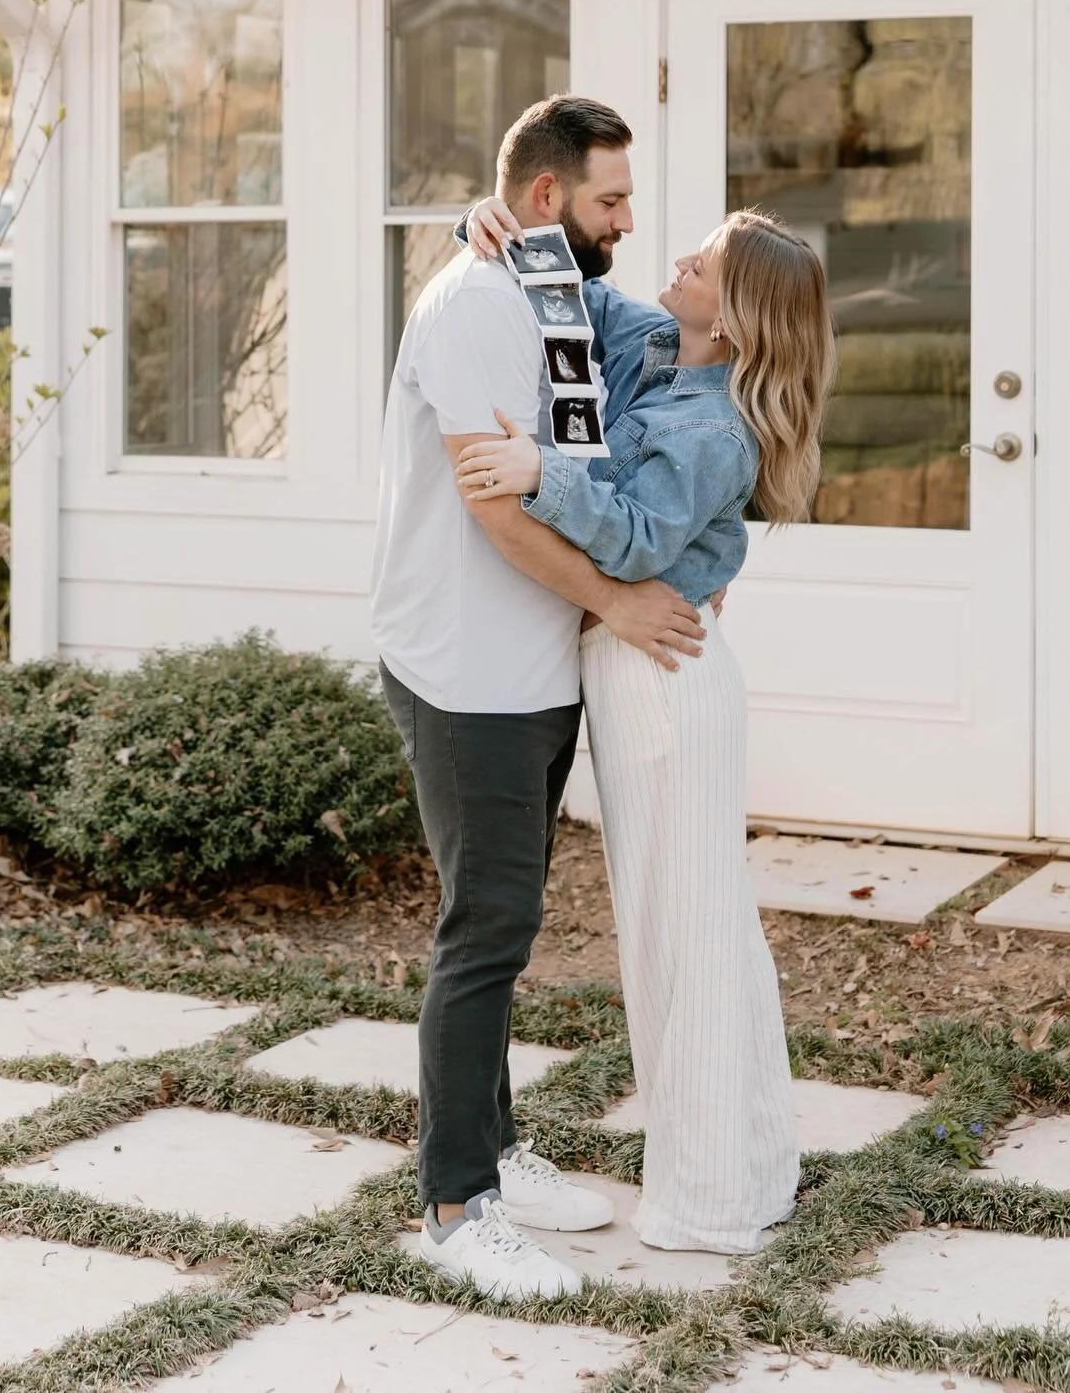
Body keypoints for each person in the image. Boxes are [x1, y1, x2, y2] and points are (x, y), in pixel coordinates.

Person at [371, 95, 711, 1304]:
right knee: (486, 928)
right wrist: (617, 604)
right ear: (553, 197)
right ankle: (457, 1204)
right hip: (464, 665)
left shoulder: (551, 283)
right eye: (613, 198)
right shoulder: (473, 307)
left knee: (507, 924)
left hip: (531, 661)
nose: (630, 218)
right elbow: (493, 503)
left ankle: (500, 1159)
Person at [457, 196, 837, 1254]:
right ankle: (743, 1168)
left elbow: (633, 540)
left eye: (704, 264)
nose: (677, 259)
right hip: (642, 672)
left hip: (665, 680)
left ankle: (712, 1195)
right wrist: (494, 227)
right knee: (685, 925)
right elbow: (578, 302)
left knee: (691, 934)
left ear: (738, 319)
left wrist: (542, 470)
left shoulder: (714, 424)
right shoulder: (658, 346)